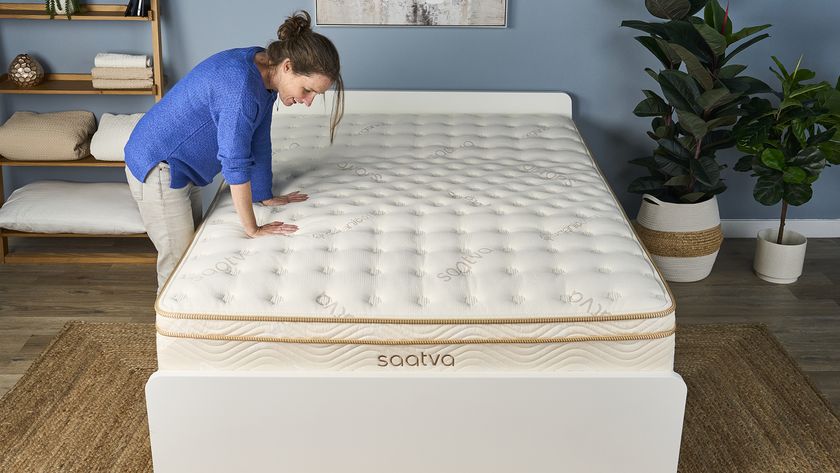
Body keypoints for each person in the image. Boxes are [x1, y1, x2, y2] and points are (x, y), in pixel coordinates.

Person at [124, 10, 344, 290]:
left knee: (191, 252)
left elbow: (259, 142)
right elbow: (235, 161)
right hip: (158, 165)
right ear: (288, 66)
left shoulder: (265, 70)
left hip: (181, 167)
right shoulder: (240, 87)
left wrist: (264, 195)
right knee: (178, 264)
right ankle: (170, 330)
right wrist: (252, 228)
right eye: (307, 90)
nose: (309, 101)